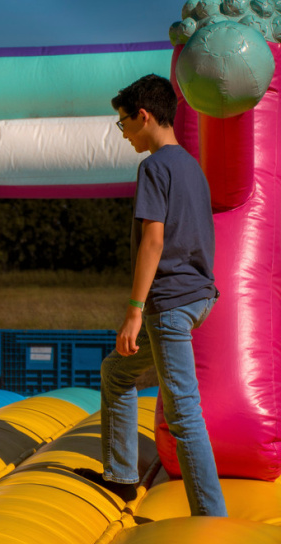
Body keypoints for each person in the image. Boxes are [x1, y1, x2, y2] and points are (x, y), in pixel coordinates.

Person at [75, 74, 227, 516]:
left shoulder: (154, 167)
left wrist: (135, 311)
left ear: (144, 116)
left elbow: (154, 242)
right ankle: (121, 477)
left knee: (183, 415)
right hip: (199, 297)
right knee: (116, 373)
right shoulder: (191, 167)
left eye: (122, 123)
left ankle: (212, 518)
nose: (122, 132)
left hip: (170, 304)